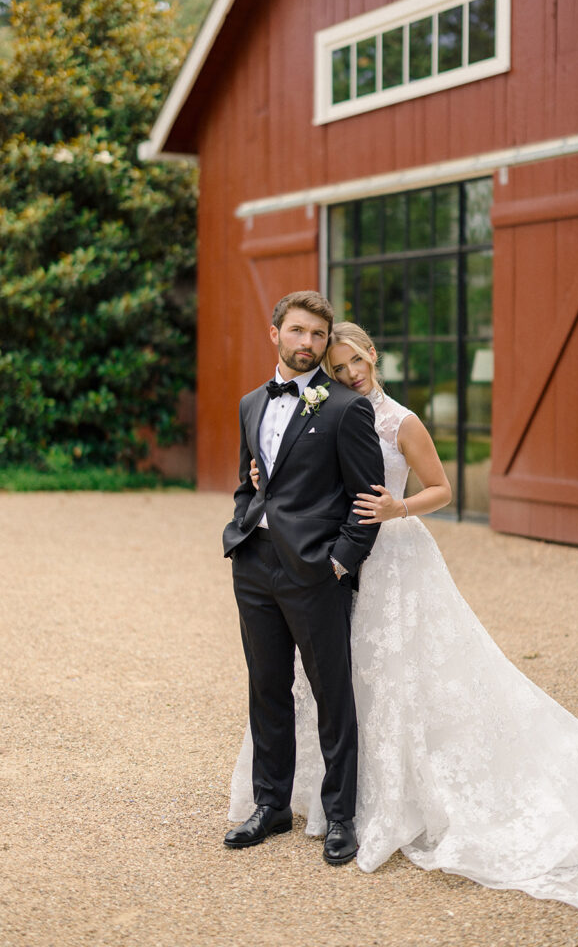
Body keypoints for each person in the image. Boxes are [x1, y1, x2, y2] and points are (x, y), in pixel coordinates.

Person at [229, 320, 578, 923]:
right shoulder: (315, 408)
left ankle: (379, 801)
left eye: (355, 360)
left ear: (373, 355)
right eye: (337, 367)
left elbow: (441, 488)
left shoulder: (400, 420)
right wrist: (263, 482)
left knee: (394, 675)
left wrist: (397, 507)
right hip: (324, 558)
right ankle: (300, 796)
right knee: (339, 677)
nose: (349, 373)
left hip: (390, 555)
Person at [222, 295, 384, 866]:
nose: (307, 343)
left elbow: (368, 499)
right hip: (254, 564)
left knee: (331, 694)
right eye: (297, 331)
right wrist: (240, 527)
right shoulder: (250, 403)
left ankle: (340, 816)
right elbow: (248, 483)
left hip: (316, 571)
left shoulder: (345, 408)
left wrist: (340, 562)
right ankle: (270, 806)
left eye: (317, 334)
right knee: (266, 687)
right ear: (275, 334)